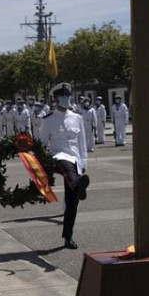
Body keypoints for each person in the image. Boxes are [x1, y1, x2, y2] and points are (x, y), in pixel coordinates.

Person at [40, 83, 89, 250]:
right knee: (66, 167)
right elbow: (41, 143)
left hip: (75, 161)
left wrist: (84, 162)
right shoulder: (48, 120)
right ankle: (76, 181)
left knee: (72, 203)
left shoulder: (77, 118)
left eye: (68, 95)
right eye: (62, 96)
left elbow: (82, 142)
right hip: (58, 157)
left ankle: (68, 237)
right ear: (55, 99)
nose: (66, 98)